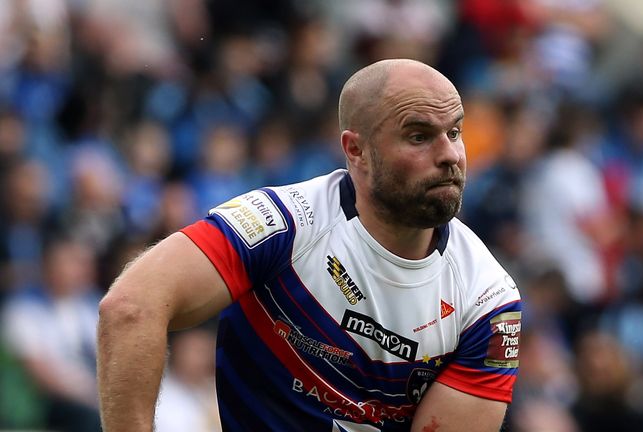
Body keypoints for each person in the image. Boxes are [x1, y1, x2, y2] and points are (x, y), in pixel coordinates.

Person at [97, 58, 523, 431]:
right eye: (418, 136)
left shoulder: (488, 300)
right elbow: (132, 307)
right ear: (356, 150)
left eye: (455, 132)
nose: (450, 154)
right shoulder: (281, 223)